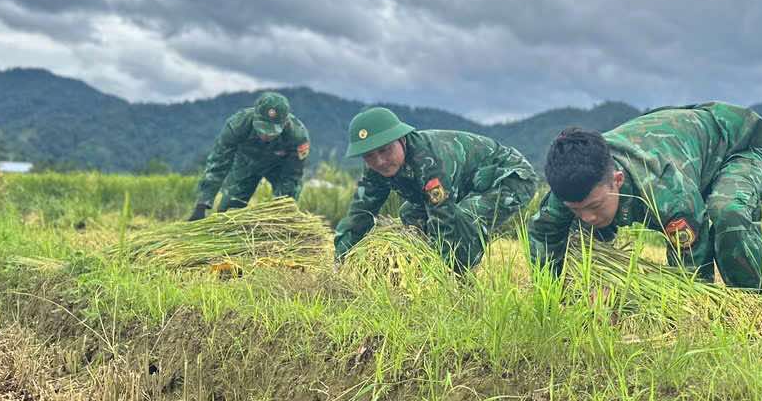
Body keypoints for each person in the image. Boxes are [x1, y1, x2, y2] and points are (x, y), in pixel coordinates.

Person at [527, 102, 762, 290]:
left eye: (594, 205)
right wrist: (552, 296)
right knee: (575, 235)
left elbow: (692, 274)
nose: (588, 216)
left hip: (734, 143)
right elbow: (543, 233)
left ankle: (759, 309)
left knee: (727, 213)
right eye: (575, 209)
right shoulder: (572, 184)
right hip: (681, 151)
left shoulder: (667, 194)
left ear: (617, 180)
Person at [333, 107, 537, 271]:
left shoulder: (429, 162)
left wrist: (441, 273)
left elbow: (443, 219)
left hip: (509, 178)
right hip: (467, 184)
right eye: (369, 155)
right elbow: (359, 214)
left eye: (385, 150)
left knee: (462, 220)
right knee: (409, 213)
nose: (379, 161)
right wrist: (340, 261)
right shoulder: (374, 169)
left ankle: (461, 280)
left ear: (402, 140)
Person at [189, 92, 310, 220]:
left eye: (272, 132)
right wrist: (202, 204)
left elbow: (291, 176)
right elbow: (218, 164)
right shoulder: (237, 125)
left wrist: (279, 210)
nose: (266, 136)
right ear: (255, 116)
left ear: (285, 123)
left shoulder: (298, 136)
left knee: (284, 212)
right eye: (262, 129)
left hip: (279, 168)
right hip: (246, 164)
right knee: (228, 214)